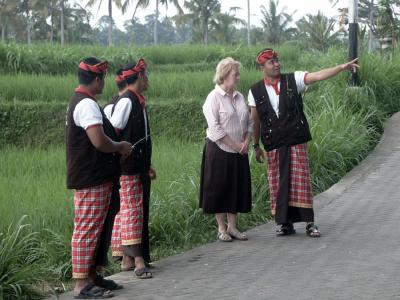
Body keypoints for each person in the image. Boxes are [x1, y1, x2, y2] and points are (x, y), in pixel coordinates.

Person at [248, 48, 359, 237]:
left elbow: (317, 76)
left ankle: (309, 223)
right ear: (262, 67)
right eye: (271, 62)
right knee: (278, 184)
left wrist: (340, 68)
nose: (276, 64)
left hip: (295, 139)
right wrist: (256, 146)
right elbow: (255, 120)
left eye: (277, 60)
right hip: (273, 143)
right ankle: (285, 224)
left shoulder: (294, 80)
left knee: (301, 180)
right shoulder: (255, 91)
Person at [66, 57, 132, 298]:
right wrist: (119, 146)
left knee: (98, 228)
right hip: (90, 178)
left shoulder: (83, 102)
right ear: (96, 79)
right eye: (102, 79)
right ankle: (81, 284)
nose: (104, 84)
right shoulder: (86, 105)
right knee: (87, 228)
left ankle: (92, 276)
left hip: (96, 176)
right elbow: (99, 141)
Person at [110, 58, 156, 279]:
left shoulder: (137, 100)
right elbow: (113, 130)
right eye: (146, 76)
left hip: (137, 166)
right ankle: (138, 261)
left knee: (131, 209)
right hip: (128, 167)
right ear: (138, 77)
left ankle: (128, 259)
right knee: (131, 211)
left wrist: (147, 164)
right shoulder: (127, 101)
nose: (148, 80)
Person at [200, 57, 253, 242]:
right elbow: (215, 128)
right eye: (235, 74)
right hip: (220, 150)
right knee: (219, 188)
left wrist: (246, 140)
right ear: (224, 75)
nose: (238, 78)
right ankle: (221, 228)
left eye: (238, 74)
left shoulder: (238, 97)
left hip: (240, 150)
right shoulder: (213, 97)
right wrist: (237, 145)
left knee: (235, 188)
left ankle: (233, 227)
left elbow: (248, 121)